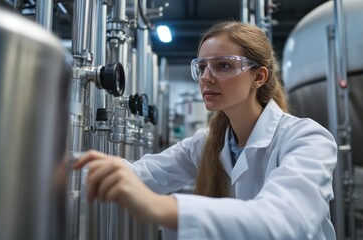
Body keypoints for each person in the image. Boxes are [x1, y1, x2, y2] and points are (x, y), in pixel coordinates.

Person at [74, 21, 337, 239]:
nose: (206, 78)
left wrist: (160, 207)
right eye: (201, 67)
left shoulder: (307, 139)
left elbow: (282, 222)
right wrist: (71, 170)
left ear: (259, 77)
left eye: (223, 65)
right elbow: (141, 174)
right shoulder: (206, 143)